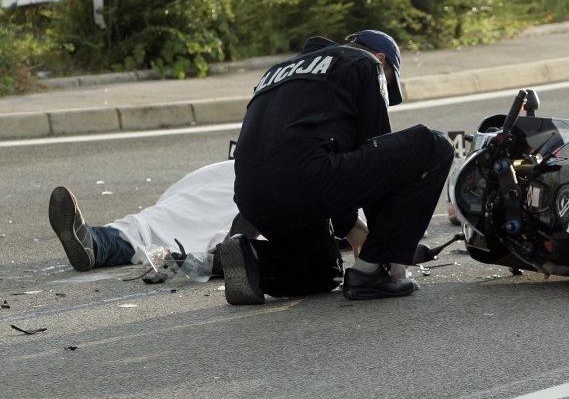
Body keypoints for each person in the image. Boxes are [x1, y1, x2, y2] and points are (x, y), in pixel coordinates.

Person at [219, 30, 454, 304]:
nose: (386, 97)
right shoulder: (366, 63)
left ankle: (256, 258)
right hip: (306, 180)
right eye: (389, 88)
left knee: (322, 272)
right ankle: (372, 274)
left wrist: (350, 225)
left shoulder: (278, 70)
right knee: (434, 145)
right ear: (381, 59)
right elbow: (376, 156)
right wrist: (383, 255)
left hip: (251, 196)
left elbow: (307, 148)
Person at [47, 161, 369, 273]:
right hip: (248, 184)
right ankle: (96, 243)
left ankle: (98, 242)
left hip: (245, 180)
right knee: (170, 224)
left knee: (158, 223)